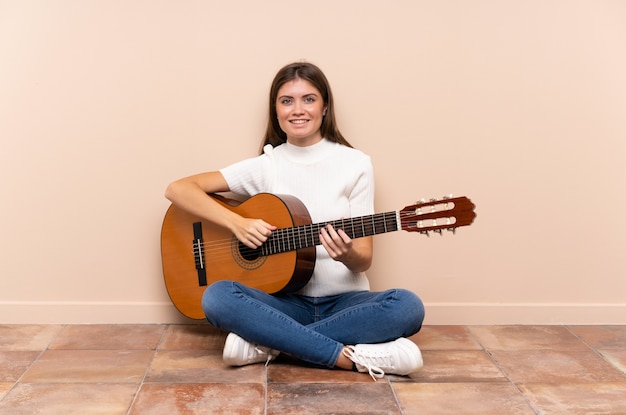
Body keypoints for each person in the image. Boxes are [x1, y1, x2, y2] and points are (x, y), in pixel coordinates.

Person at [165, 62, 425, 380]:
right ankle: (350, 358)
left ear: (325, 107)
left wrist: (348, 254)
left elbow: (364, 260)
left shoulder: (355, 163)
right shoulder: (268, 164)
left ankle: (268, 344)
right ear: (275, 111)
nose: (298, 110)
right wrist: (237, 224)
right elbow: (178, 189)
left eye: (309, 99)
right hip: (282, 303)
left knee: (407, 306)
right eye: (287, 100)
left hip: (346, 303)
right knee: (217, 297)